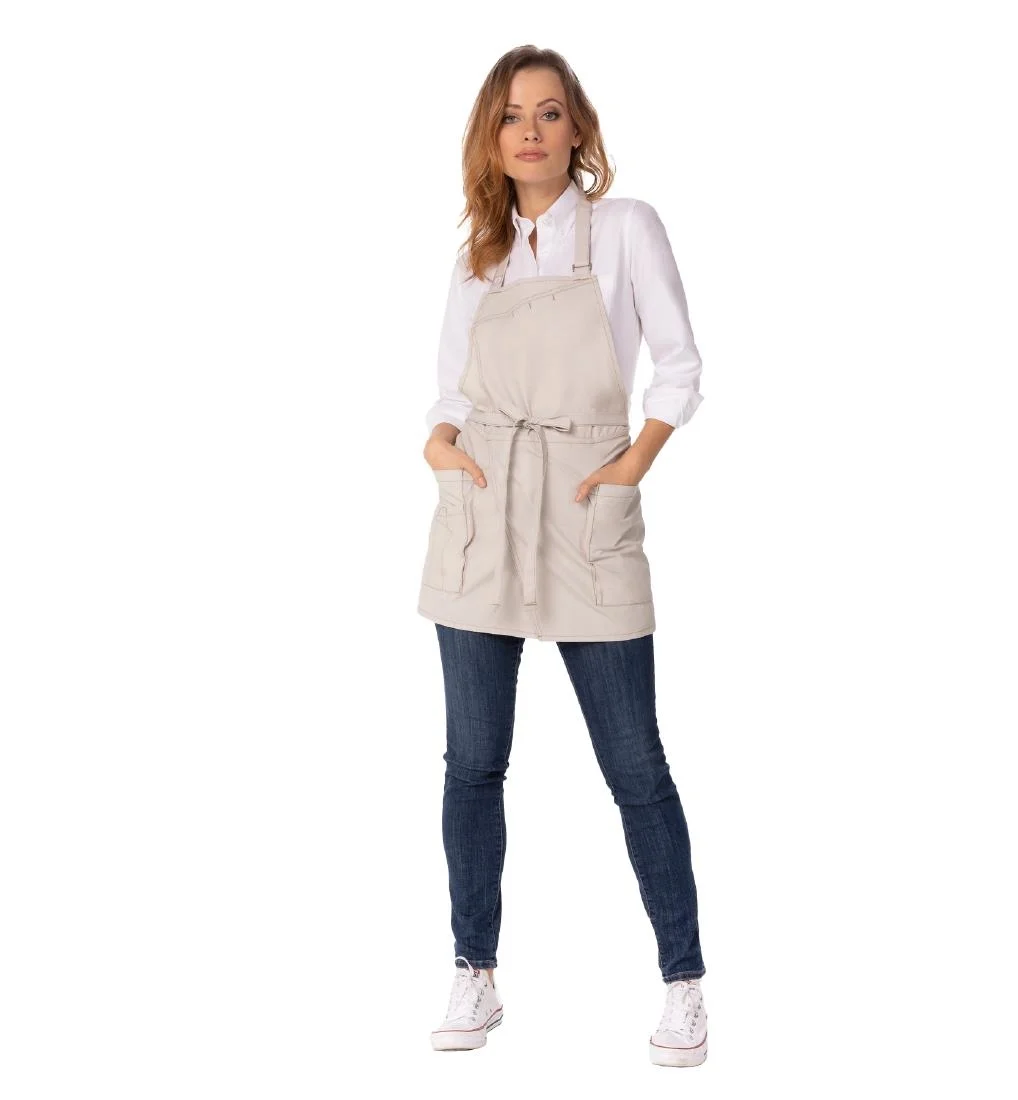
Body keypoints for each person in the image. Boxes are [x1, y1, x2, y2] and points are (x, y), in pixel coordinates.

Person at [418, 46, 708, 1068]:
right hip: (483, 509)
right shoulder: (479, 255)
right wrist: (440, 446)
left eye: (548, 113)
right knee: (472, 764)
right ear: (490, 138)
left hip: (587, 508)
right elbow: (450, 391)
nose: (530, 132)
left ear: (576, 127)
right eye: (510, 116)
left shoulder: (625, 228)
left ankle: (683, 983)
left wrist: (629, 464)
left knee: (635, 765)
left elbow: (678, 367)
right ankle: (475, 969)